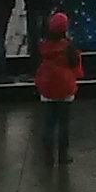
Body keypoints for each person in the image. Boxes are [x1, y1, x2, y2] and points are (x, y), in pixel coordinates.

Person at [34, 12, 83, 165]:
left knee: (49, 123)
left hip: (48, 89)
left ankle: (48, 156)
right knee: (64, 123)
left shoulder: (43, 45)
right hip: (64, 88)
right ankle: (63, 155)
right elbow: (75, 63)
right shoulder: (68, 47)